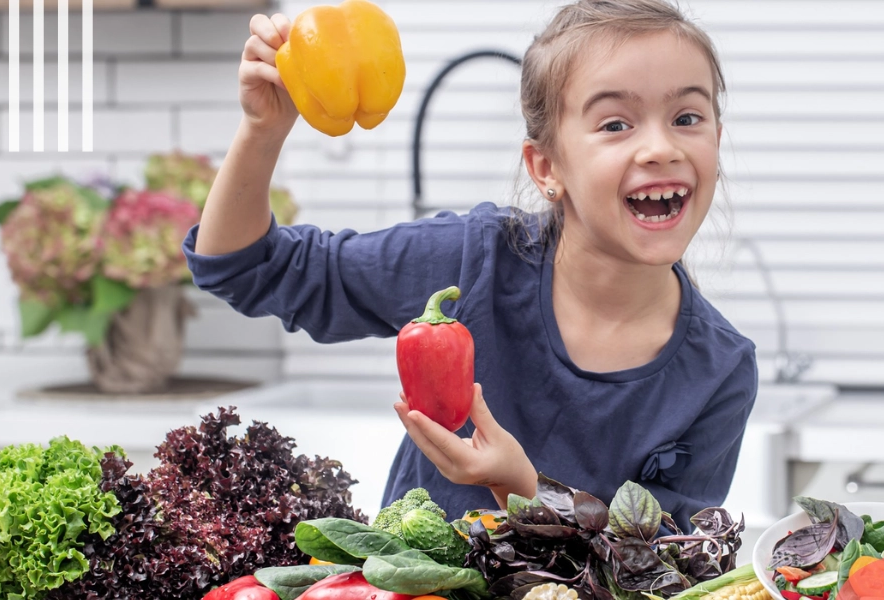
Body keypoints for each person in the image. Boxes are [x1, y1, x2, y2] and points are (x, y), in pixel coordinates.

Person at [182, 0, 758, 531]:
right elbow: (242, 266)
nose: (662, 147)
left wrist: (518, 486)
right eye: (615, 124)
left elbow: (666, 571)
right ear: (545, 167)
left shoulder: (720, 371)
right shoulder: (472, 260)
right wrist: (263, 131)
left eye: (687, 117)